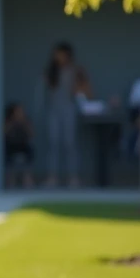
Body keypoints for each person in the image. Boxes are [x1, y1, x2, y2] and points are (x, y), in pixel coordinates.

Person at [39, 42, 86, 187]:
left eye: (61, 54)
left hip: (69, 110)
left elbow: (82, 90)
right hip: (53, 110)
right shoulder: (50, 71)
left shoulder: (75, 70)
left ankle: (73, 177)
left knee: (70, 143)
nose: (58, 57)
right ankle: (52, 177)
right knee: (53, 143)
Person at [3, 102, 35, 188]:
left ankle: (27, 180)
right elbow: (4, 133)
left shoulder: (25, 121)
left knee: (29, 151)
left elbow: (31, 134)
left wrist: (23, 122)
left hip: (23, 146)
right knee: (7, 154)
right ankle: (10, 181)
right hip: (11, 146)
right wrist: (13, 122)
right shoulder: (8, 121)